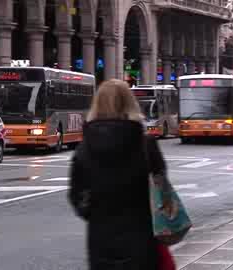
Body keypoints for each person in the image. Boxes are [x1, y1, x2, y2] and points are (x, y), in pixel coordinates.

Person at [68, 79, 167, 270]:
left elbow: (75, 196)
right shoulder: (146, 145)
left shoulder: (84, 148)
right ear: (131, 103)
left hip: (101, 242)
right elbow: (162, 190)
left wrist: (96, 214)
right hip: (141, 238)